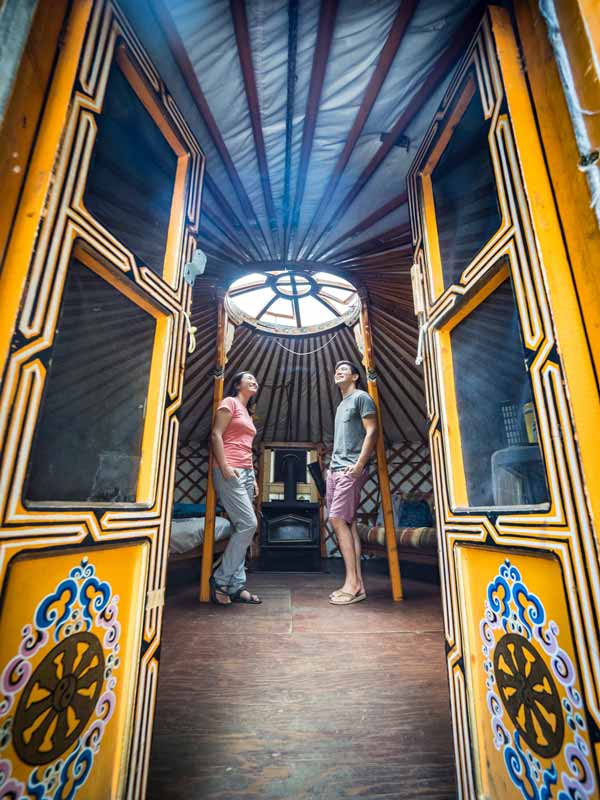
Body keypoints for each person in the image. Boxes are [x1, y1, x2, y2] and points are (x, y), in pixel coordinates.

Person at [326, 360, 377, 605]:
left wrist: (358, 465)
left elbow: (372, 431)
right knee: (349, 522)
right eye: (336, 369)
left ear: (355, 376)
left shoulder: (361, 397)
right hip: (335, 470)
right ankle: (357, 585)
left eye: (344, 369)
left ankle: (353, 584)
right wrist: (331, 469)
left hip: (350, 470)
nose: (338, 371)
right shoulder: (341, 405)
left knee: (336, 519)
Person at [210, 371, 262, 606]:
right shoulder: (229, 403)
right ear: (237, 384)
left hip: (246, 472)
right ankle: (221, 581)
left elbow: (246, 447)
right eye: (248, 378)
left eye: (255, 379)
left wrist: (255, 478)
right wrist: (224, 466)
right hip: (229, 469)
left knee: (242, 528)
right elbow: (216, 435)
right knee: (249, 524)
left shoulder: (249, 415)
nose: (254, 381)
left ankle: (236, 585)